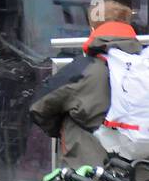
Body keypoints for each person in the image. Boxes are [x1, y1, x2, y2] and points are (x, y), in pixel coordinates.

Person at [30, 18, 143, 170]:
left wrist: (58, 128)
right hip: (137, 172)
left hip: (89, 171)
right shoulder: (144, 73)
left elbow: (39, 106)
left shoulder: (84, 68)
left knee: (70, 114)